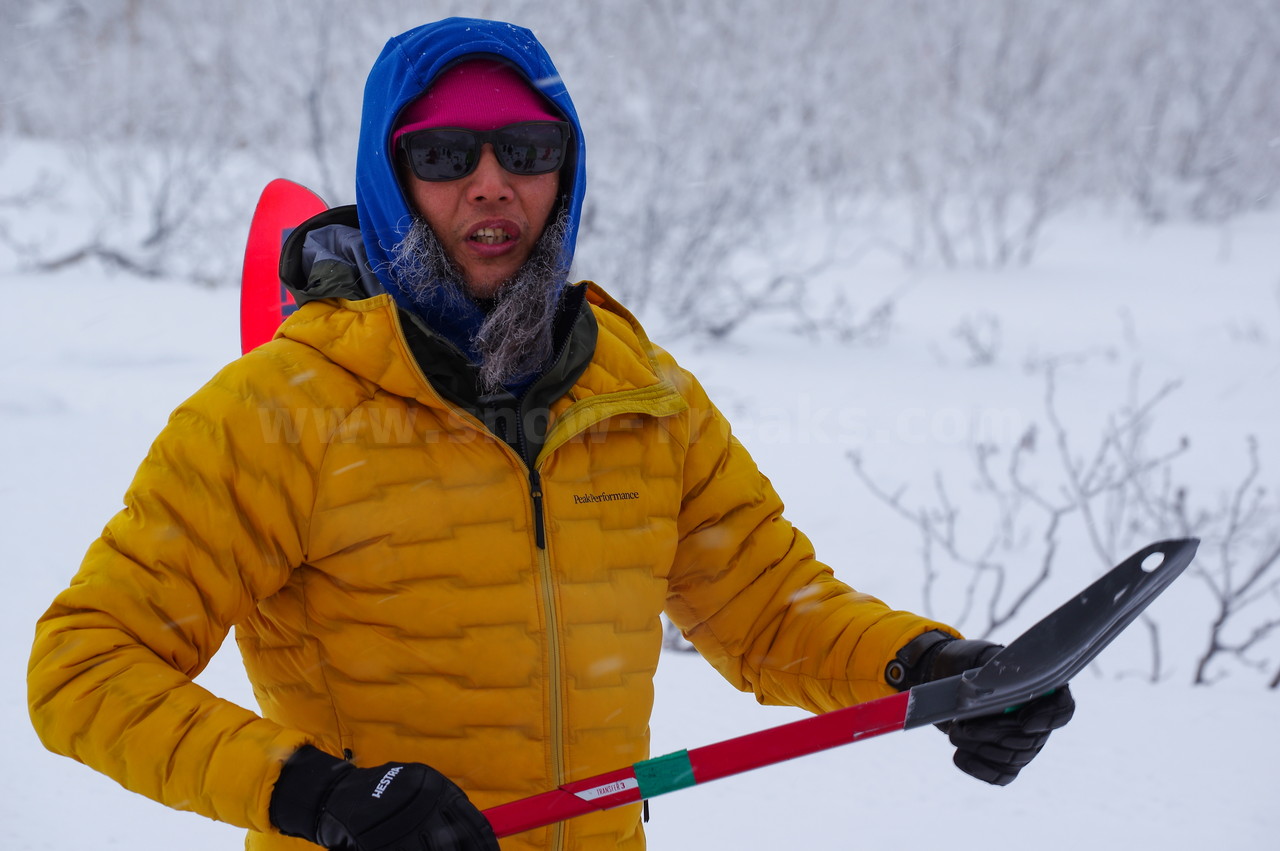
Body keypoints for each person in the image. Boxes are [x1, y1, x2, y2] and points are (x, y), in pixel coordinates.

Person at [26, 17, 1074, 851]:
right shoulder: (278, 415)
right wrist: (319, 794)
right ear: (392, 179)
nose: (491, 183)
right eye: (443, 154)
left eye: (526, 150)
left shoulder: (640, 395)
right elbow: (83, 666)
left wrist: (928, 667)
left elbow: (764, 607)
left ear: (564, 174)